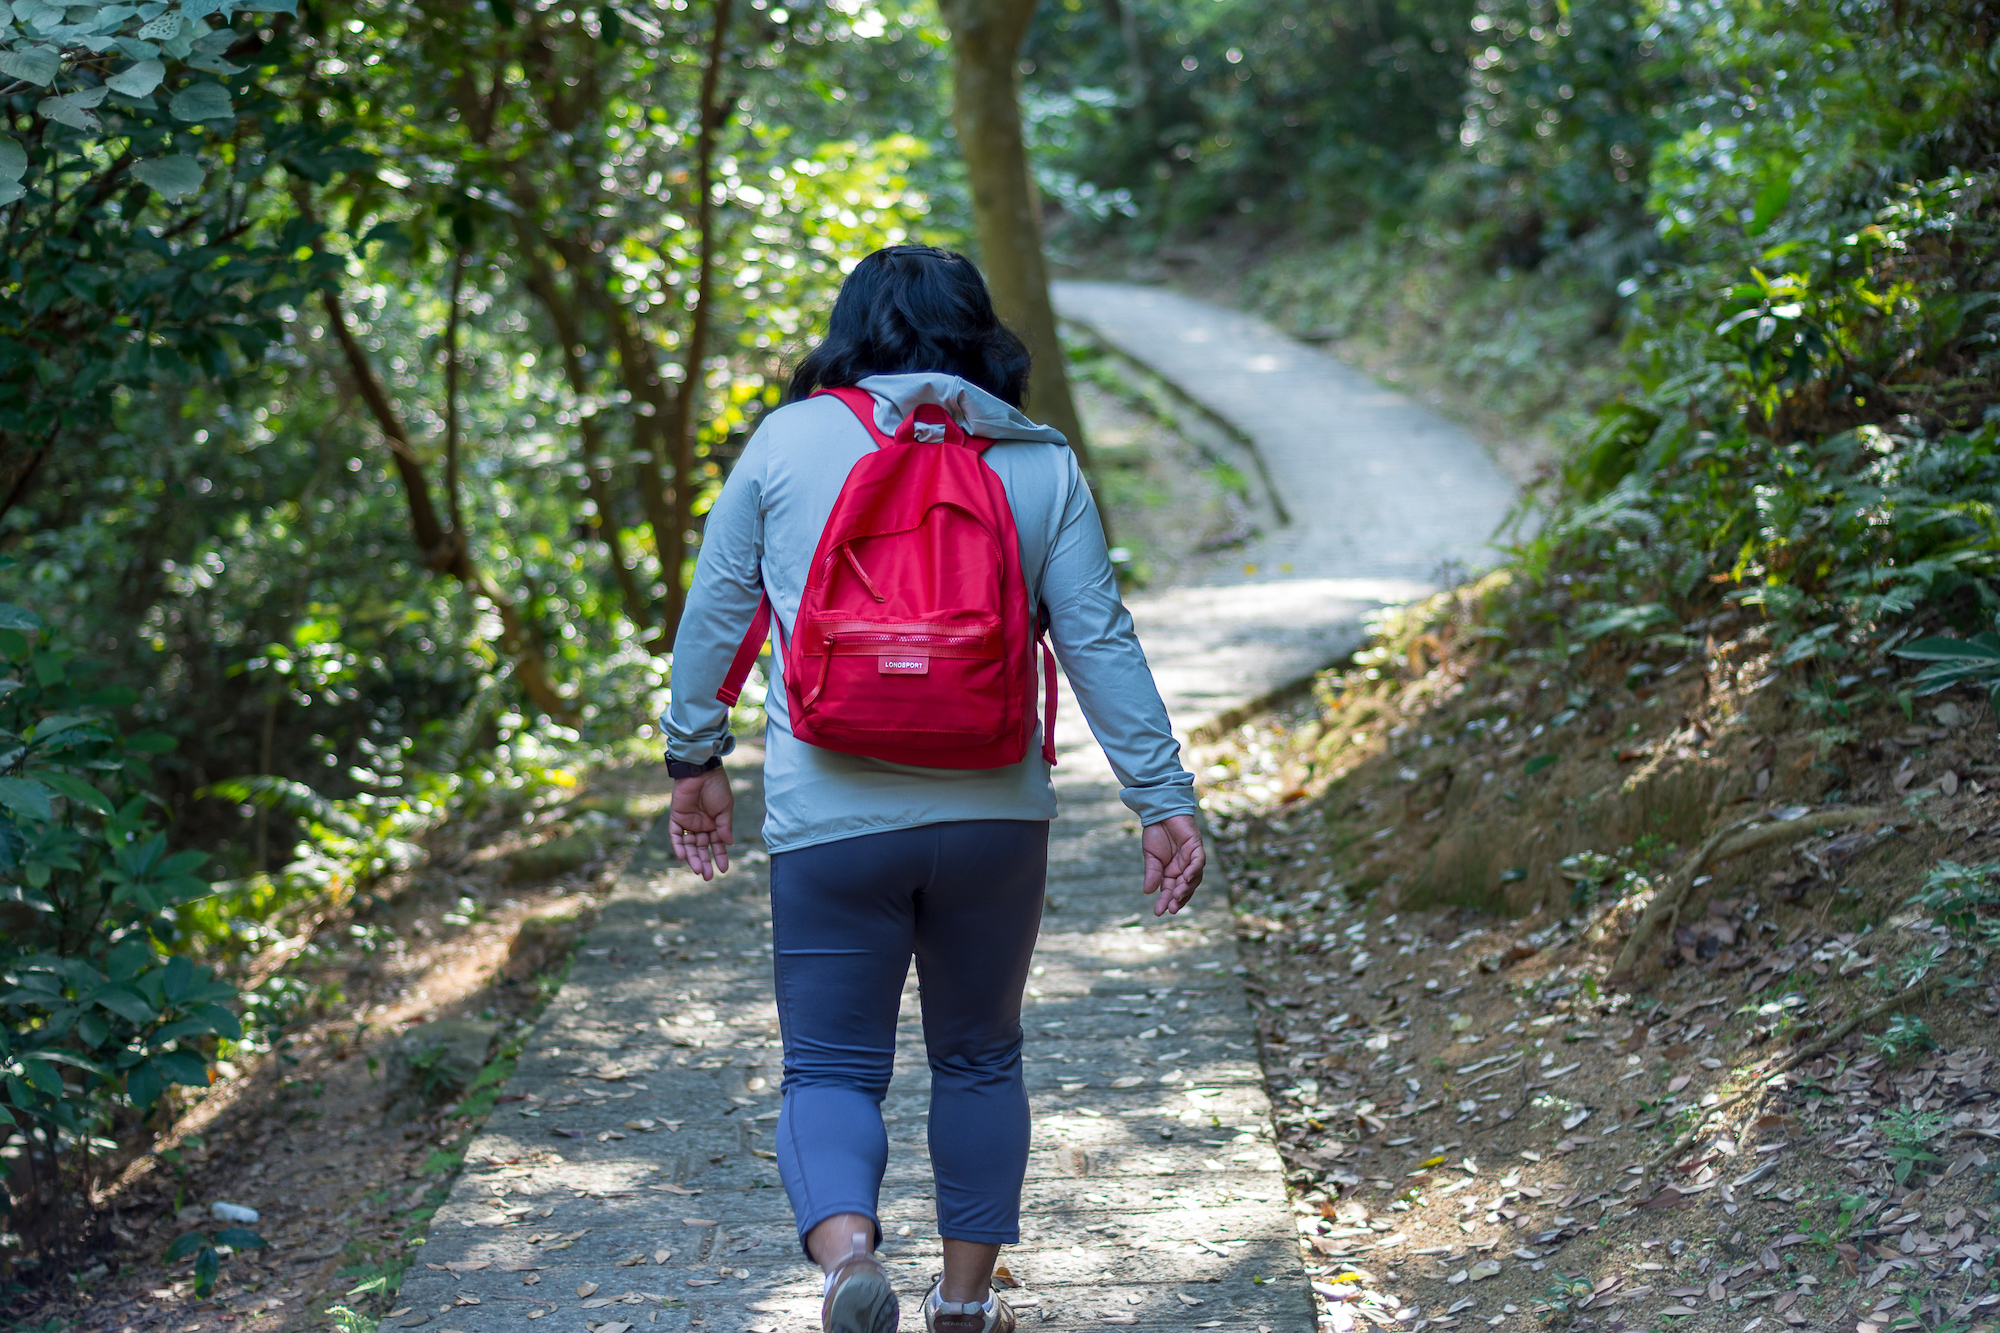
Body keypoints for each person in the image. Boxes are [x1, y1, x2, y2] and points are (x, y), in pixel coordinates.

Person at [661, 245, 1204, 1333]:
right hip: (993, 814)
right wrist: (1161, 795)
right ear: (980, 337)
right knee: (978, 1056)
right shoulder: (1035, 460)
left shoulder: (788, 442)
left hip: (829, 815)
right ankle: (963, 1307)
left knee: (826, 1067)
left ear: (848, 333)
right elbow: (1098, 639)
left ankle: (848, 1256)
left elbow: (718, 611)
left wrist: (695, 758)